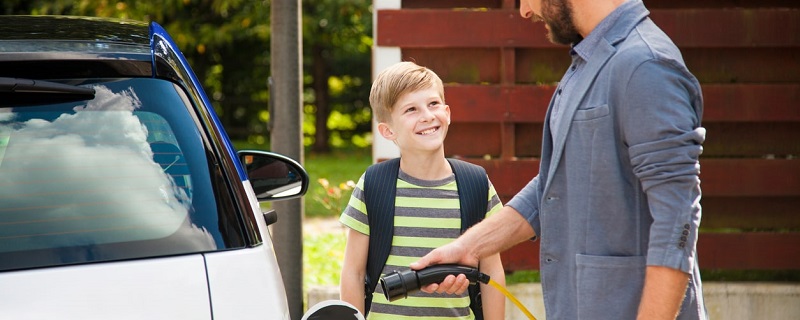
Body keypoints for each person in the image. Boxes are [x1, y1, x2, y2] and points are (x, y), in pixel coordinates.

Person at [410, 0, 708, 319]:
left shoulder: (645, 65)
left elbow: (677, 218)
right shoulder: (590, 59)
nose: (524, 11)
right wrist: (468, 248)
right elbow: (555, 182)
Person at [338, 61, 506, 320]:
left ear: (448, 112)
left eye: (433, 104)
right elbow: (353, 272)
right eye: (411, 109)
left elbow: (492, 271)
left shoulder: (476, 184)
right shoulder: (374, 185)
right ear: (387, 130)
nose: (427, 115)